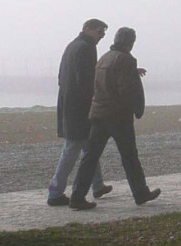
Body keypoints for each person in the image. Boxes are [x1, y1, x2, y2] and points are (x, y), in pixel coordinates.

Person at [69, 27, 159, 209]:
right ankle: (140, 193)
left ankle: (77, 196)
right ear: (130, 42)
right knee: (130, 157)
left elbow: (103, 83)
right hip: (118, 116)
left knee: (90, 157)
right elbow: (125, 89)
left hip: (98, 114)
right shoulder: (126, 60)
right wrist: (133, 109)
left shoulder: (104, 57)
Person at [47, 18, 114, 207]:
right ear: (87, 29)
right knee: (72, 149)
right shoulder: (86, 47)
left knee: (88, 147)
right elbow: (86, 81)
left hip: (68, 103)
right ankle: (55, 192)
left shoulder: (72, 46)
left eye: (103, 33)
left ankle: (98, 185)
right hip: (79, 108)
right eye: (99, 31)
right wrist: (94, 102)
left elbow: (62, 77)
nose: (101, 36)